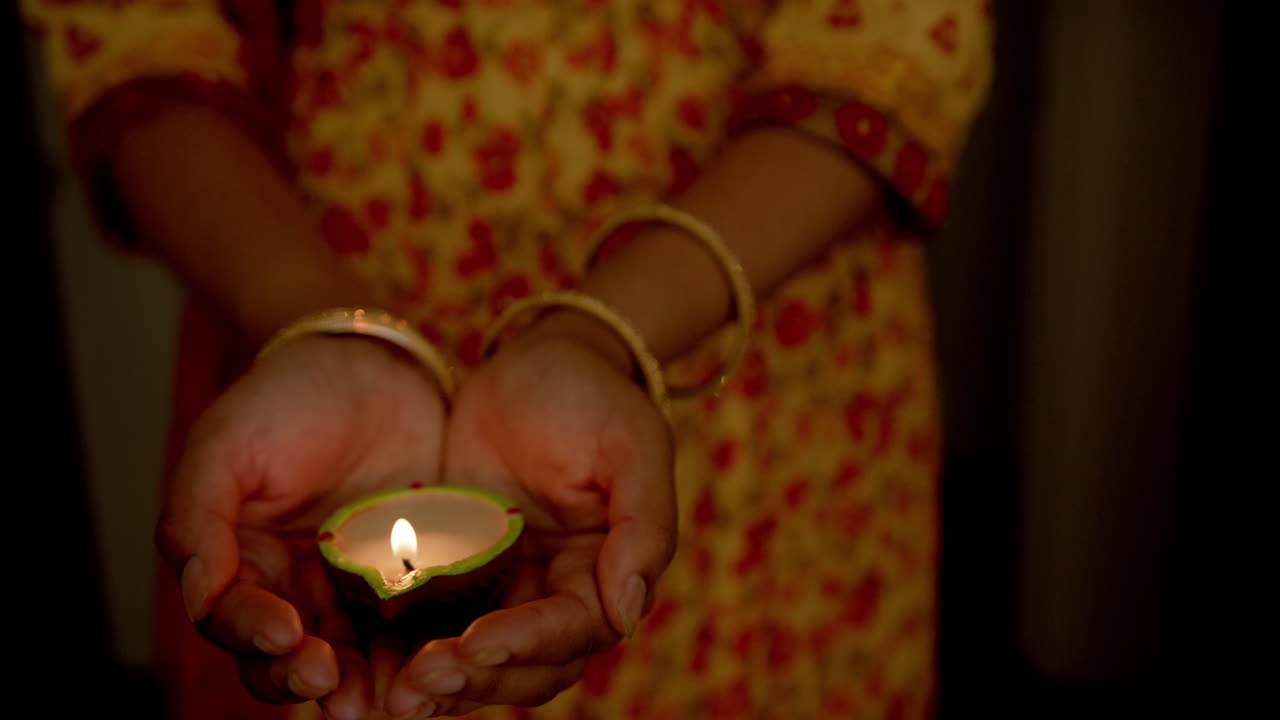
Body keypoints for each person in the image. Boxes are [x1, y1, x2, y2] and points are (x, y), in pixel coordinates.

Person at [25, 1, 991, 718]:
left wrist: (601, 332)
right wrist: (323, 324)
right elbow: (134, 29)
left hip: (763, 377)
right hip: (322, 337)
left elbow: (892, 44)